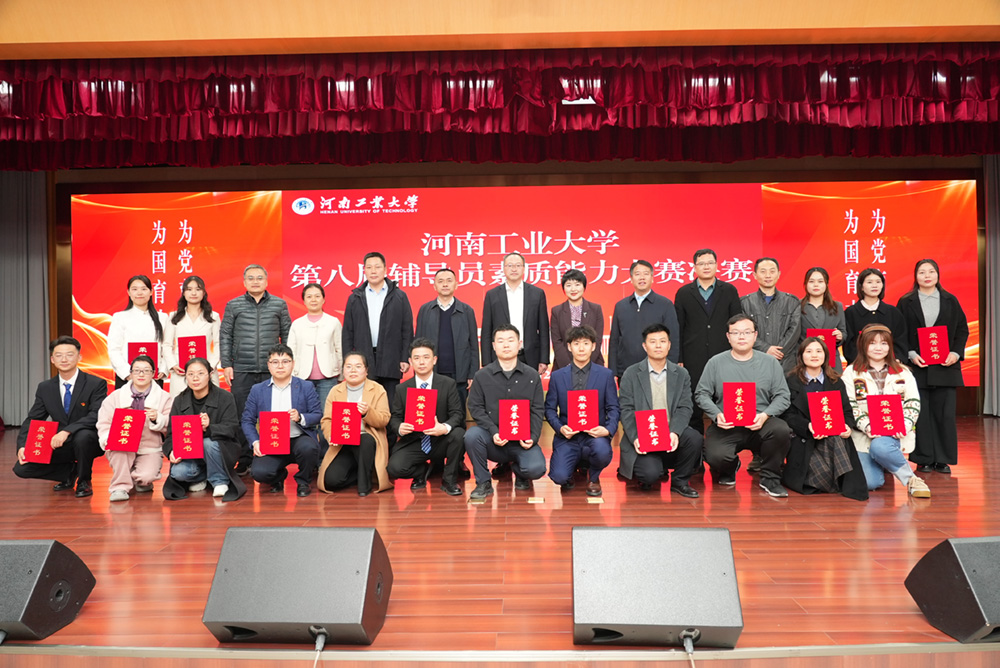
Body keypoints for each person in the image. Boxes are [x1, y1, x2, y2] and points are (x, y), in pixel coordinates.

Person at [695, 314, 792, 497]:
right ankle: (729, 467)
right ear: (728, 336)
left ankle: (770, 478)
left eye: (747, 332)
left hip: (760, 422)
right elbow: (701, 393)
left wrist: (765, 415)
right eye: (736, 333)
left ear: (755, 336)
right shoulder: (716, 362)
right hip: (727, 424)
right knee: (715, 455)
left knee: (781, 430)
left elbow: (783, 396)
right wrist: (716, 415)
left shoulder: (770, 362)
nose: (741, 337)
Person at [896, 259, 969, 474]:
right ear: (915, 276)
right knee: (922, 415)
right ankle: (924, 459)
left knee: (944, 414)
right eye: (922, 272)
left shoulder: (950, 300)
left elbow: (962, 330)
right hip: (918, 367)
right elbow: (900, 333)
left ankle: (942, 460)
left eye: (931, 271)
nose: (927, 276)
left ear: (937, 274)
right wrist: (910, 354)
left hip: (946, 367)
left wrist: (956, 353)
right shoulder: (906, 301)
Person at [841, 325, 929, 498]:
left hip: (893, 433)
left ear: (890, 346)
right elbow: (850, 405)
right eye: (872, 343)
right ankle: (884, 460)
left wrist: (904, 425)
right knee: (870, 483)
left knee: (881, 446)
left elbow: (913, 402)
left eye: (883, 343)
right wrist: (867, 426)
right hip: (864, 435)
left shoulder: (903, 372)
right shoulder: (851, 372)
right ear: (863, 345)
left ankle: (911, 479)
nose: (878, 348)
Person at [14, 336, 108, 498]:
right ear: (52, 359)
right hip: (58, 442)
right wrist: (23, 446)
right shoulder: (45, 387)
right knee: (22, 469)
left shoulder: (95, 383)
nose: (64, 359)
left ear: (79, 357)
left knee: (83, 437)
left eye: (69, 355)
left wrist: (67, 431)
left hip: (88, 440)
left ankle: (84, 480)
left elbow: (96, 414)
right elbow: (34, 419)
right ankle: (69, 472)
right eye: (59, 355)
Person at [220, 264, 292, 473]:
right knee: (243, 415)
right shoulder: (233, 305)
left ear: (266, 281)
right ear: (244, 282)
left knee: (273, 415)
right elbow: (225, 335)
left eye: (259, 278)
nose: (255, 281)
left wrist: (286, 364)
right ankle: (244, 459)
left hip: (272, 369)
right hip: (242, 368)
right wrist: (227, 364)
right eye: (250, 278)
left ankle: (274, 457)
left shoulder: (279, 304)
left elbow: (287, 335)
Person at [617, 324, 702, 497]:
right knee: (649, 475)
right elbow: (626, 409)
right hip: (643, 434)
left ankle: (679, 481)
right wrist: (635, 437)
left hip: (669, 431)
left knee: (694, 438)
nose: (658, 346)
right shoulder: (631, 373)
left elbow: (685, 407)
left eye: (662, 341)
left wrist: (674, 432)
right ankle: (649, 469)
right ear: (644, 346)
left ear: (669, 345)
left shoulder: (681, 373)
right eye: (653, 341)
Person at [780, 338, 867, 500]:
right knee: (821, 477)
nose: (814, 355)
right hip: (804, 437)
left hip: (833, 437)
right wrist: (808, 426)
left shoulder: (836, 381)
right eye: (809, 351)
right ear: (801, 356)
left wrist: (847, 426)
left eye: (819, 351)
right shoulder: (791, 381)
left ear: (826, 355)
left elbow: (847, 412)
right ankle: (836, 480)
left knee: (836, 438)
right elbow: (787, 415)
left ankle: (835, 480)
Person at [466, 324, 546, 500]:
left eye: (511, 340)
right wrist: (493, 431)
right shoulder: (482, 376)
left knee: (536, 469)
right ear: (494, 346)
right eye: (501, 341)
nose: (506, 345)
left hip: (522, 442)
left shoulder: (532, 375)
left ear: (519, 344)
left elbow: (537, 409)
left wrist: (533, 437)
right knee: (472, 436)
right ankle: (483, 482)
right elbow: (475, 407)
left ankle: (520, 472)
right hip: (494, 440)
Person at [674, 248, 743, 431]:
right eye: (702, 263)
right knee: (694, 400)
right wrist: (679, 357)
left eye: (710, 263)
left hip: (724, 354)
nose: (706, 267)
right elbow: (678, 327)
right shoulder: (684, 293)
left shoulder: (729, 290)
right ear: (694, 267)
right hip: (692, 356)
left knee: (724, 398)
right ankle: (695, 444)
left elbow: (737, 324)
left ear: (716, 265)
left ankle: (723, 440)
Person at [545, 326, 619, 497]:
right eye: (576, 343)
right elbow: (549, 409)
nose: (581, 348)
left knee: (602, 451)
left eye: (586, 343)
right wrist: (560, 428)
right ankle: (572, 469)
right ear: (569, 346)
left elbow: (614, 407)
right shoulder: (557, 376)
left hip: (595, 436)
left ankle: (593, 477)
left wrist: (607, 430)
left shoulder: (605, 375)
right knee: (559, 476)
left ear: (593, 346)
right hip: (568, 437)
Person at [387, 339, 467, 496]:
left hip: (440, 440)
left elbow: (457, 414)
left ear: (434, 360)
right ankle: (421, 472)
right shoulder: (402, 388)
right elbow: (395, 417)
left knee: (459, 434)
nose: (421, 362)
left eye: (426, 357)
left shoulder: (448, 384)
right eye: (416, 358)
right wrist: (400, 427)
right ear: (410, 361)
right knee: (394, 468)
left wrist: (444, 428)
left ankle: (449, 480)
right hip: (415, 440)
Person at [161, 357, 247, 502]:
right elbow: (171, 433)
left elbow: (232, 428)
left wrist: (209, 427)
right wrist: (170, 451)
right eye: (191, 374)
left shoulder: (225, 397)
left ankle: (219, 480)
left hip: (220, 450)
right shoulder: (180, 400)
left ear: (210, 374)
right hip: (191, 454)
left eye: (200, 373)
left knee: (207, 442)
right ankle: (203, 476)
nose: (195, 378)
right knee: (178, 473)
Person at [241, 344, 322, 497]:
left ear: (293, 363)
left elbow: (317, 414)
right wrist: (255, 442)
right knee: (259, 473)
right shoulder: (257, 390)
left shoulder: (306, 386)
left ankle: (303, 482)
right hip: (272, 441)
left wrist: (300, 417)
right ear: (268, 365)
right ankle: (278, 477)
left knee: (309, 448)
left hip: (298, 438)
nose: (280, 366)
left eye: (285, 361)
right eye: (275, 362)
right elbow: (247, 420)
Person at [341, 252, 414, 407]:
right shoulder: (355, 297)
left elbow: (406, 329)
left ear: (385, 269)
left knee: (390, 403)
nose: (373, 271)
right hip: (363, 359)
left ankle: (390, 425)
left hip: (391, 358)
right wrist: (348, 360)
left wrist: (404, 357)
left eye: (377, 267)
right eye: (369, 267)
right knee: (365, 404)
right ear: (364, 270)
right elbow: (348, 332)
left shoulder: (399, 296)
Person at [96, 355, 172, 501]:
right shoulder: (116, 396)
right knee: (119, 448)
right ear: (130, 373)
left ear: (153, 373)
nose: (141, 374)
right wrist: (109, 438)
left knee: (146, 477)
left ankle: (137, 477)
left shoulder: (164, 397)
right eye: (137, 370)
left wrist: (158, 418)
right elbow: (104, 422)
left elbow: (171, 424)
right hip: (122, 446)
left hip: (149, 447)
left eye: (146, 371)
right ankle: (119, 487)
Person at [319, 352, 393, 497]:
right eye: (348, 366)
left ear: (366, 370)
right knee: (331, 481)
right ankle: (358, 473)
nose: (353, 370)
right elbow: (326, 420)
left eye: (358, 366)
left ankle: (364, 485)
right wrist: (330, 436)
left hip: (367, 439)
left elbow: (384, 419)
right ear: (343, 370)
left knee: (365, 440)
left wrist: (367, 413)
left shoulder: (377, 389)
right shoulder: (335, 391)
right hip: (343, 442)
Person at [414, 267, 479, 409]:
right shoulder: (425, 310)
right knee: (430, 412)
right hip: (431, 372)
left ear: (456, 285)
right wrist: (418, 372)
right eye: (440, 281)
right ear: (434, 286)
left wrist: (472, 374)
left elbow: (473, 345)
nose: (445, 284)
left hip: (459, 374)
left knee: (457, 413)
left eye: (449, 281)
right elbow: (417, 344)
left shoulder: (467, 310)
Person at [609, 259, 680, 380]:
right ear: (631, 279)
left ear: (652, 278)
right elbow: (614, 341)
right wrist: (613, 370)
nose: (642, 277)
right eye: (637, 274)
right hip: (626, 371)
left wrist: (670, 368)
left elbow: (673, 338)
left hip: (657, 371)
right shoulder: (621, 306)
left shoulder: (665, 304)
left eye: (646, 274)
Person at [481, 252, 550, 374]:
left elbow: (543, 329)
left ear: (524, 268)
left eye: (518, 265)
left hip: (530, 356)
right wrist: (486, 362)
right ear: (503, 268)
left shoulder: (537, 293)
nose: (514, 269)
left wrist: (544, 359)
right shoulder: (492, 295)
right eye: (510, 265)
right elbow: (486, 330)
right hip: (500, 357)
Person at [740, 257, 801, 375]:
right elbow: (744, 332)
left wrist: (778, 352)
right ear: (755, 275)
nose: (768, 275)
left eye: (772, 271)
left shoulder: (792, 301)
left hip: (785, 363)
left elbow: (794, 331)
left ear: (778, 274)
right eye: (763, 271)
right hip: (754, 361)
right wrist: (765, 349)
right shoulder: (745, 302)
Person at [107, 275, 170, 388]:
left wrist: (163, 369)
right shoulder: (120, 317)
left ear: (151, 292)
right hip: (127, 378)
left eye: (144, 289)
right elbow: (114, 349)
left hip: (154, 376)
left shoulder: (162, 317)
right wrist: (128, 373)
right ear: (129, 292)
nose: (139, 293)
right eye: (135, 289)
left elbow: (167, 347)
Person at [287, 282, 343, 409]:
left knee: (326, 413)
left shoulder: (333, 322)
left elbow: (339, 349)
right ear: (304, 301)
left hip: (328, 377)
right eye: (309, 296)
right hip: (302, 377)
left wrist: (341, 374)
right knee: (304, 413)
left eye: (317, 296)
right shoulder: (297, 324)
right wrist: (292, 375)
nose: (313, 300)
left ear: (323, 299)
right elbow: (291, 351)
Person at [165, 275, 220, 398]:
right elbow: (167, 344)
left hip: (207, 370)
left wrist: (210, 366)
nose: (193, 293)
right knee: (181, 404)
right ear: (183, 293)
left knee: (210, 403)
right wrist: (173, 364)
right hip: (181, 370)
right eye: (189, 289)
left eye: (198, 289)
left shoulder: (213, 316)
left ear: (204, 293)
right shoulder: (174, 316)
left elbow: (219, 343)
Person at [843, 268, 907, 363]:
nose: (874, 285)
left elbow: (901, 341)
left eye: (878, 282)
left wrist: (895, 360)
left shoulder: (893, 312)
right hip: (860, 366)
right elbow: (849, 345)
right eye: (869, 282)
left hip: (890, 366)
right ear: (861, 287)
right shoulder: (851, 312)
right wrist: (863, 362)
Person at [550, 269, 604, 371]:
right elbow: (557, 341)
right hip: (563, 366)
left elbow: (597, 339)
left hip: (593, 364)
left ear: (584, 287)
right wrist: (569, 366)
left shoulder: (595, 309)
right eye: (568, 285)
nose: (573, 289)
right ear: (563, 288)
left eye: (577, 284)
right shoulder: (557, 311)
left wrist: (585, 364)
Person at [798, 267, 847, 369]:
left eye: (820, 281)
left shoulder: (837, 306)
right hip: (804, 361)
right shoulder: (797, 306)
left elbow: (843, 332)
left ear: (826, 284)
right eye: (811, 281)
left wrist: (840, 336)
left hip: (831, 360)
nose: (816, 285)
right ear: (805, 284)